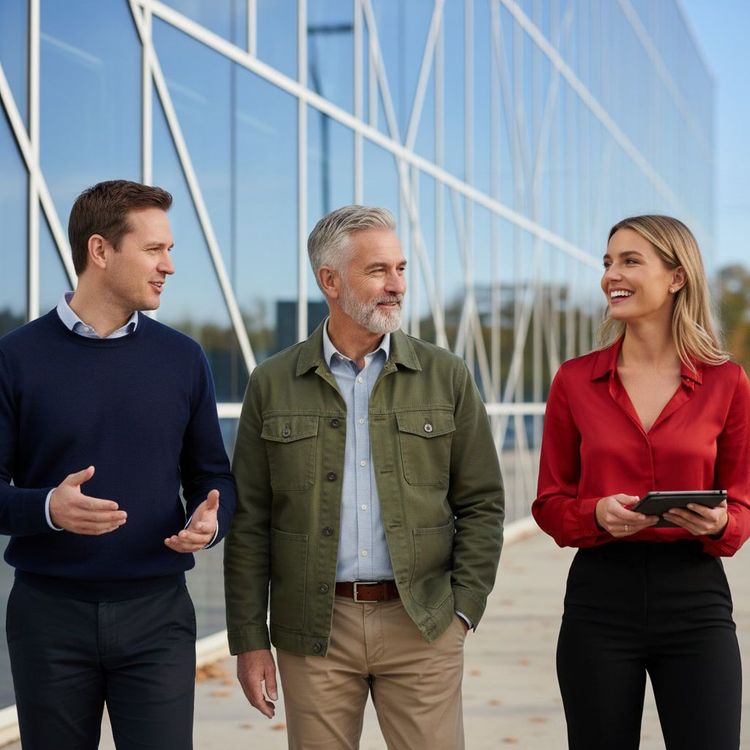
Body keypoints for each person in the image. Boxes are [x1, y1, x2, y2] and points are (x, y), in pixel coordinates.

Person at [225, 204, 504, 749]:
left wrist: (463, 610)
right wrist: (249, 640)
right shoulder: (272, 382)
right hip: (313, 629)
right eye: (378, 271)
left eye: (400, 269)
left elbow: (482, 502)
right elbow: (251, 521)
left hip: (423, 621)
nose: (396, 284)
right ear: (330, 280)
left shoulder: (445, 375)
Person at [0, 179, 236, 750]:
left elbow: (213, 477)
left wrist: (210, 523)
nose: (170, 266)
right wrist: (48, 509)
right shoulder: (15, 358)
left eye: (170, 250)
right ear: (100, 251)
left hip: (157, 616)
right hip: (48, 617)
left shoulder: (182, 359)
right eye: (155, 250)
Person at [533, 214, 750, 750]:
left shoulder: (726, 382)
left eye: (630, 261)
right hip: (599, 599)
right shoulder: (574, 380)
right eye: (608, 262)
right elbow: (549, 502)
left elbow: (742, 506)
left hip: (695, 598)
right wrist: (595, 515)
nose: (612, 275)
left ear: (676, 277)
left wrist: (721, 521)